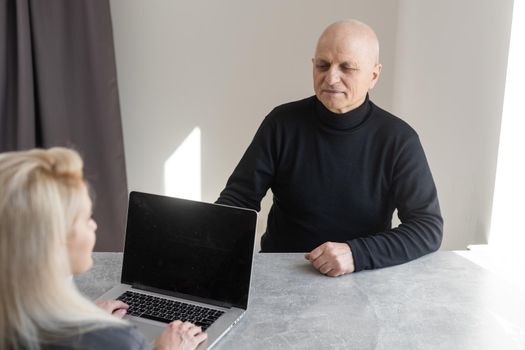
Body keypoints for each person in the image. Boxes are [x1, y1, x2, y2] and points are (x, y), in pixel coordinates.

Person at [217, 19, 443, 277]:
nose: (331, 77)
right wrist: (205, 244)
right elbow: (238, 201)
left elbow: (427, 227)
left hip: (363, 276)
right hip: (281, 273)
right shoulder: (281, 123)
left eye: (347, 67)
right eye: (323, 65)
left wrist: (357, 253)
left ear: (374, 75)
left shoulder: (399, 139)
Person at [0, 148, 207, 350]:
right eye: (86, 218)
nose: (94, 225)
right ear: (55, 241)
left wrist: (86, 318)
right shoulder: (117, 341)